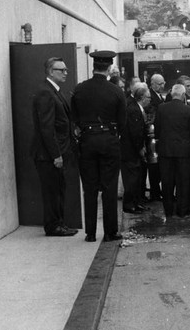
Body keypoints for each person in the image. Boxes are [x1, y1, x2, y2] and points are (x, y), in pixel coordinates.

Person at [71, 50, 126, 243]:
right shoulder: (116, 90)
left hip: (87, 141)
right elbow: (123, 121)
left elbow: (74, 117)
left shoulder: (79, 89)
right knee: (109, 187)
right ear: (109, 67)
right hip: (109, 141)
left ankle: (90, 233)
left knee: (90, 188)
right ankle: (110, 232)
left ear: (94, 66)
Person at [31, 57, 78, 237]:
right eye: (62, 70)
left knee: (58, 189)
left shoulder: (54, 91)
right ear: (51, 72)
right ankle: (53, 226)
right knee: (52, 192)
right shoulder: (46, 93)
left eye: (66, 70)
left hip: (57, 151)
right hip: (48, 155)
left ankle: (59, 224)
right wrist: (55, 155)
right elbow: (46, 128)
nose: (66, 73)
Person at [155, 84, 190, 218]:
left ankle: (168, 211)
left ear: (171, 94)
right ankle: (182, 210)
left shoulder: (161, 108)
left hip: (165, 150)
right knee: (182, 182)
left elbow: (157, 129)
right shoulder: (188, 110)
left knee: (167, 182)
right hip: (183, 151)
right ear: (183, 95)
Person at [120, 85, 151, 214]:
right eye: (148, 97)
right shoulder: (133, 110)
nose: (150, 100)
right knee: (131, 179)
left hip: (133, 150)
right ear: (142, 97)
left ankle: (136, 202)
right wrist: (140, 147)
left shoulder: (137, 109)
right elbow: (135, 132)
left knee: (137, 178)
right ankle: (129, 204)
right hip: (130, 151)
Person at [145, 74, 166, 201]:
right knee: (153, 165)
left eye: (163, 83)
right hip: (154, 134)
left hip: (158, 134)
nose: (162, 86)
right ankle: (155, 192)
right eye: (159, 84)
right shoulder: (151, 97)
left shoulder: (158, 96)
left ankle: (156, 191)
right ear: (152, 84)